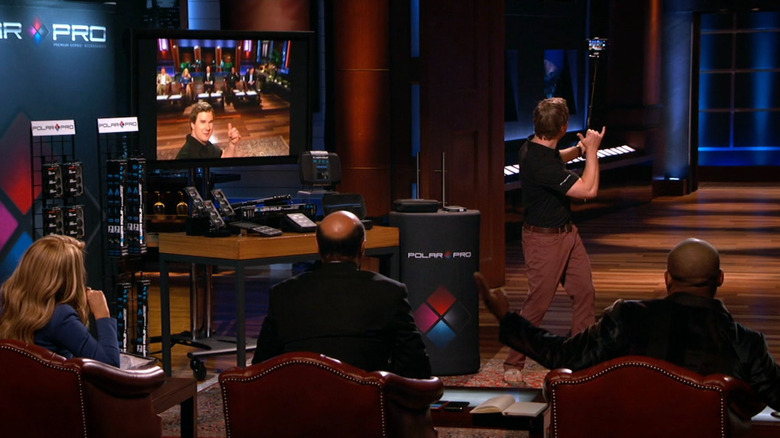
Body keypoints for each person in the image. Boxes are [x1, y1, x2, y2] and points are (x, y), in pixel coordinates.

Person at [477, 237, 780, 411]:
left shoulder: (627, 318)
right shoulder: (746, 343)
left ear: (667, 279)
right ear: (721, 279)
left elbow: (563, 356)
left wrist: (507, 318)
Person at [252, 210, 432, 379]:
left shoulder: (283, 294)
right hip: (367, 406)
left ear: (318, 248)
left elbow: (261, 367)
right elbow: (416, 366)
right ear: (362, 248)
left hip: (300, 406)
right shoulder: (390, 292)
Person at [503, 97, 606, 381]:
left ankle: (581, 357)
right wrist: (593, 152)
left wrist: (579, 150)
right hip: (543, 241)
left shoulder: (533, 147)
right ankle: (513, 364)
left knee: (584, 292)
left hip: (567, 234)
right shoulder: (540, 163)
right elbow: (588, 190)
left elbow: (556, 157)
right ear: (563, 127)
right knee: (538, 303)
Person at [0, 235, 120, 367]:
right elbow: (110, 367)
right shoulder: (60, 316)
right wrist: (102, 314)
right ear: (69, 278)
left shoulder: (10, 304)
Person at [176, 101, 241, 159]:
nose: (208, 128)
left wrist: (231, 145)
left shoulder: (206, 145)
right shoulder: (185, 156)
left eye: (210, 122)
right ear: (193, 125)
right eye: (203, 122)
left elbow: (223, 157)